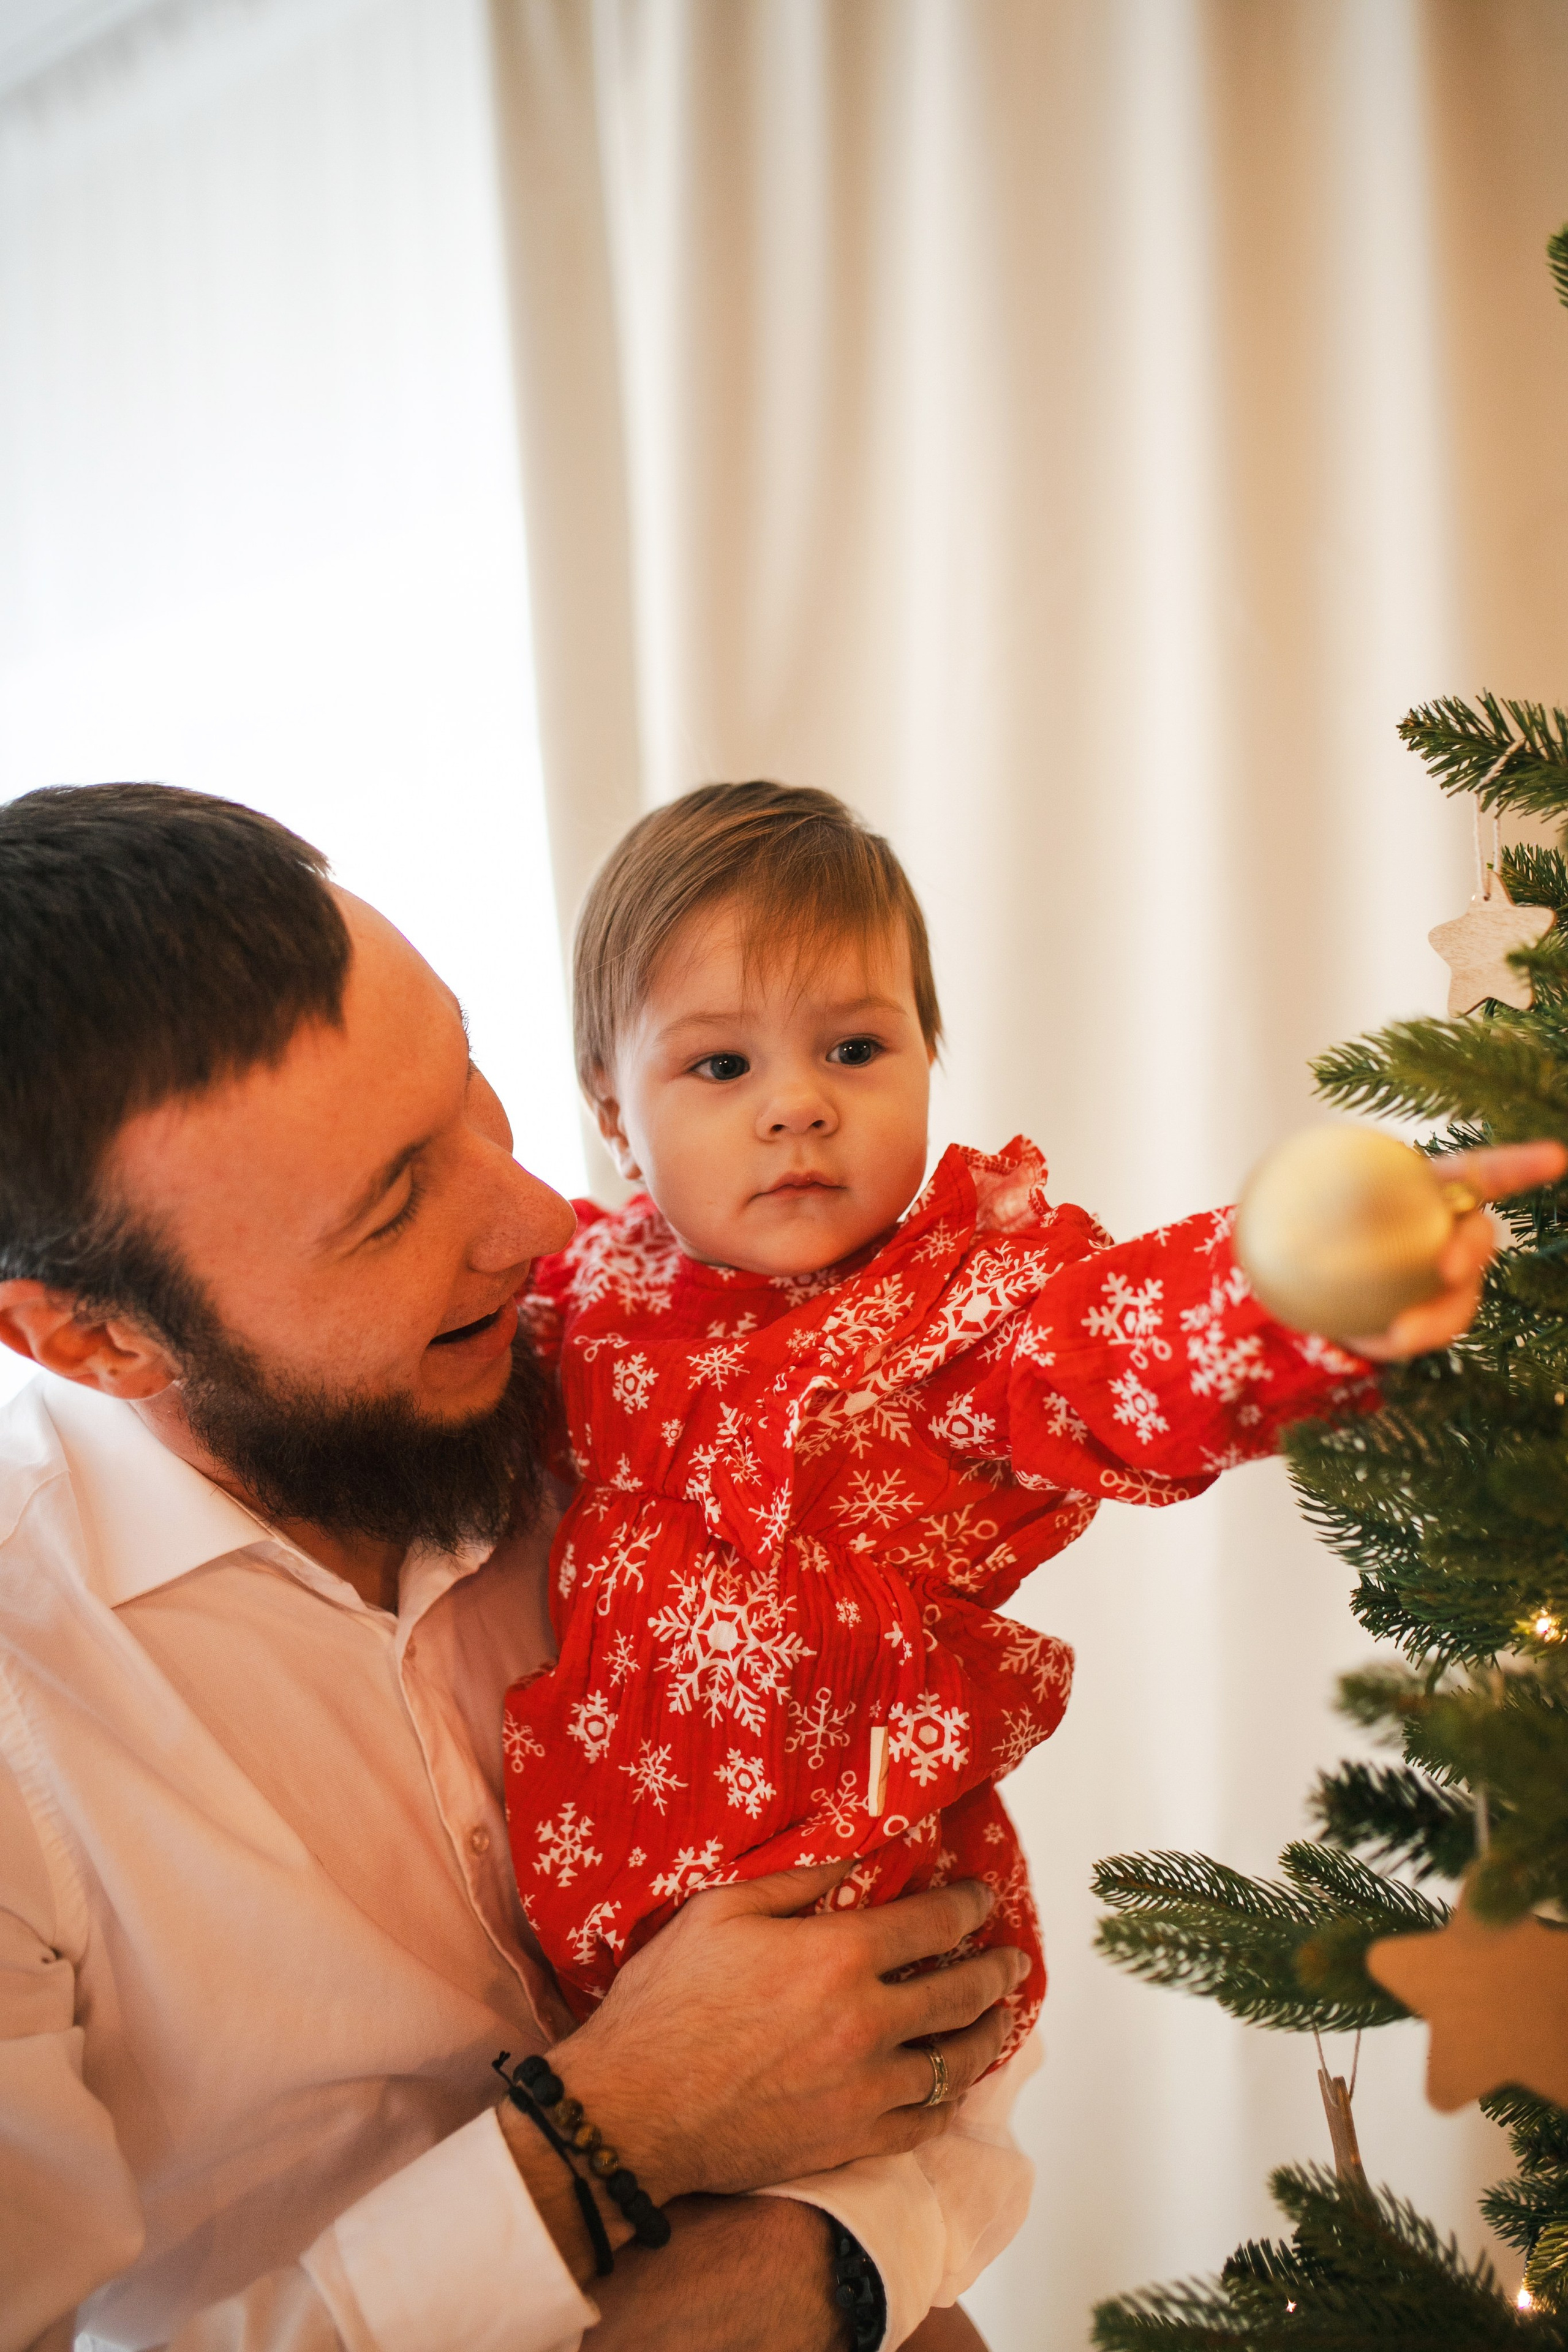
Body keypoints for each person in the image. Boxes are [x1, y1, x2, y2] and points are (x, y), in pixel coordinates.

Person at [0, 783, 1036, 2352]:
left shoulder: (631, 1392)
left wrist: (838, 2248)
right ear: (96, 1339)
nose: (540, 1213)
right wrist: (604, 2140)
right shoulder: (29, 1710)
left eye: (469, 1091)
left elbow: (920, 1970)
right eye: (391, 1208)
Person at [503, 781, 1562, 2069]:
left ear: (927, 1059)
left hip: (857, 1913)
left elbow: (1109, 1345)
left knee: (876, 2211)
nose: (797, 1104)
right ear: (612, 1111)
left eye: (853, 1049)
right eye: (719, 1065)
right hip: (594, 1909)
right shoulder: (582, 1291)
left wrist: (1306, 1271)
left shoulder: (953, 1307)